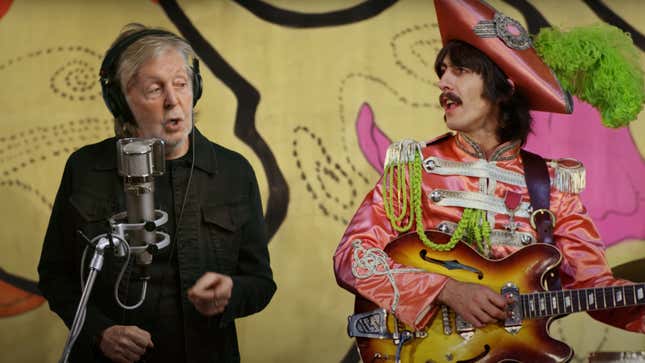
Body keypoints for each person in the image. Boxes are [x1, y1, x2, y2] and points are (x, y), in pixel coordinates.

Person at [333, 0, 644, 352]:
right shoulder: (412, 171)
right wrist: (444, 290)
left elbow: (596, 287)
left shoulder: (553, 188)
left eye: (460, 70)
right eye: (442, 70)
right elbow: (353, 256)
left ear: (505, 86)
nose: (442, 82)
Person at [37, 23, 276, 363]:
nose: (173, 100)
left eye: (181, 84)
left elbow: (261, 283)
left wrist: (231, 292)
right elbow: (55, 276)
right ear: (121, 103)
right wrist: (99, 331)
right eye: (154, 89)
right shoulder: (86, 169)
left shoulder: (234, 172)